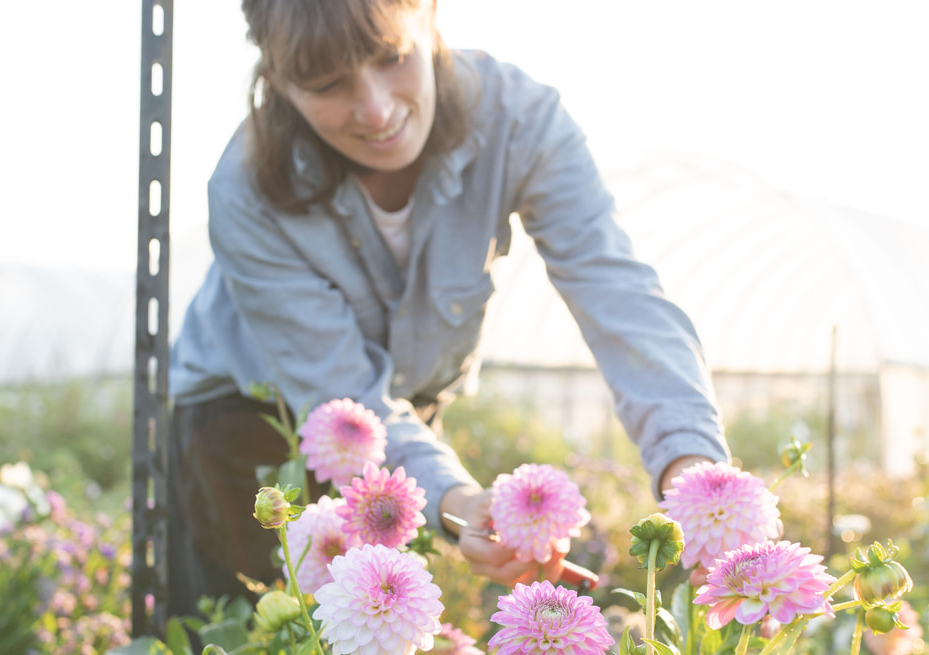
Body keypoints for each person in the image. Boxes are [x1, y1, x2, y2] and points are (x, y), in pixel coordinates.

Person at [166, 0, 730, 616]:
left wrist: (695, 472)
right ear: (278, 83)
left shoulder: (518, 120)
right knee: (242, 634)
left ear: (429, 16)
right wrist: (455, 500)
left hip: (403, 417)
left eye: (392, 57)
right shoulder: (247, 186)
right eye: (327, 85)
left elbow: (617, 293)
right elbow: (340, 387)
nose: (377, 110)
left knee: (378, 636)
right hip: (248, 416)